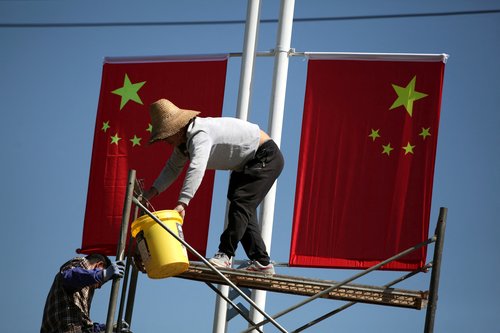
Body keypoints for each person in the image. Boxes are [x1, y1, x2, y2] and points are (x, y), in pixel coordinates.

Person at [142, 99, 284, 275]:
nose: (164, 141)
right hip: (247, 163)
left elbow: (197, 167)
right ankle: (262, 262)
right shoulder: (183, 144)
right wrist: (151, 192)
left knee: (241, 204)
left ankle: (225, 254)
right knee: (240, 205)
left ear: (176, 129)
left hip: (265, 156)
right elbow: (172, 168)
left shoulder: (199, 134)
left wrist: (183, 202)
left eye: (165, 136)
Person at [41, 254, 125, 333]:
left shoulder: (85, 287)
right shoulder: (80, 264)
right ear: (99, 265)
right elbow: (70, 277)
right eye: (102, 282)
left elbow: (84, 327)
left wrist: (108, 328)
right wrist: (103, 274)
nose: (99, 287)